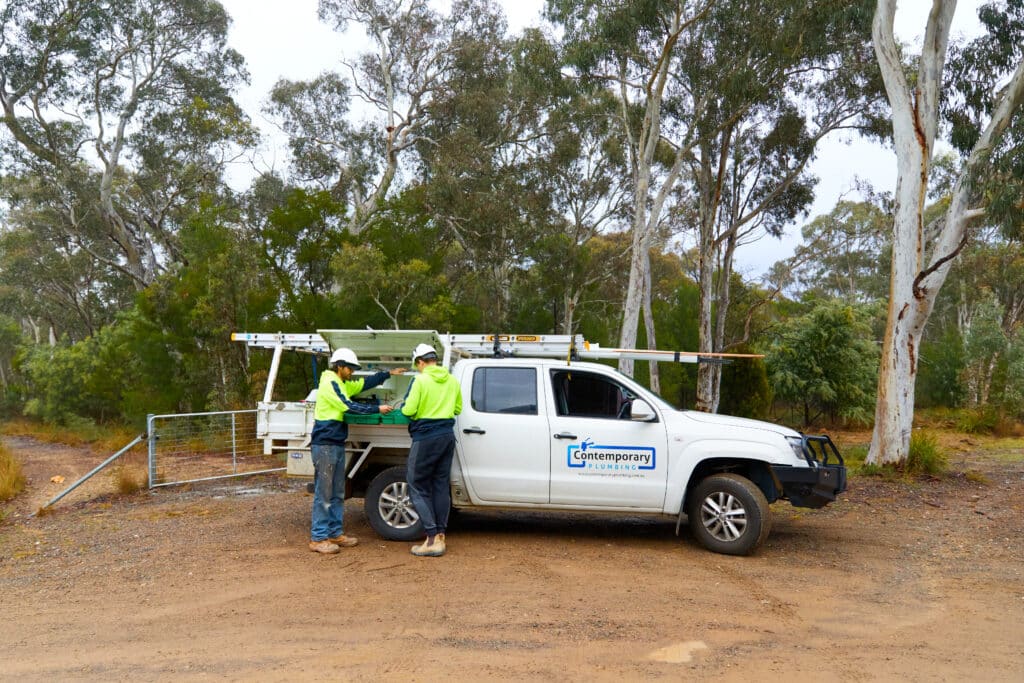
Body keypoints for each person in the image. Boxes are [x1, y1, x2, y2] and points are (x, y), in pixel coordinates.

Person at [308, 347, 405, 555]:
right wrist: (376, 409)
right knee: (324, 492)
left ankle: (335, 533)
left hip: (335, 442)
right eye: (350, 368)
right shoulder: (330, 383)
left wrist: (387, 374)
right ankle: (318, 538)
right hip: (324, 444)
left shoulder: (341, 383)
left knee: (337, 491)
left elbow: (363, 384)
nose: (352, 372)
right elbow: (348, 406)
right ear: (340, 366)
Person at [400, 343, 462, 557]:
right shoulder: (452, 380)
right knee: (439, 485)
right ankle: (441, 535)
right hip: (447, 436)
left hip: (426, 437)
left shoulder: (420, 379)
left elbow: (409, 409)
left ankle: (432, 539)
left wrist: (406, 408)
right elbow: (457, 409)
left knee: (416, 485)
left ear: (420, 362)